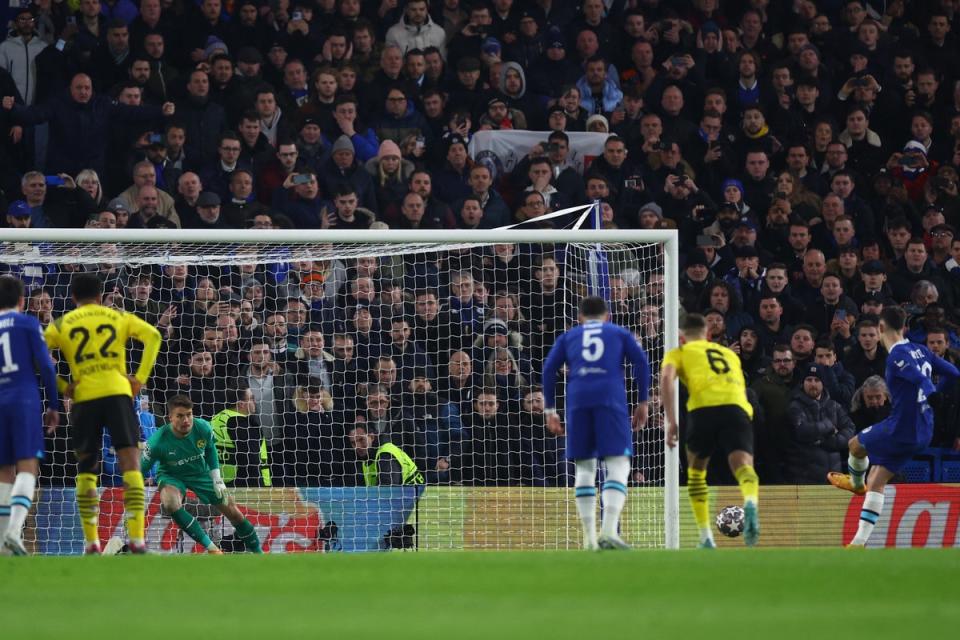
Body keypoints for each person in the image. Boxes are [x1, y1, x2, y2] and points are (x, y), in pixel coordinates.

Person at [43, 273, 162, 555]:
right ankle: (136, 539)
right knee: (131, 463)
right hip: (118, 394)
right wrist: (140, 378)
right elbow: (154, 336)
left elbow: (39, 355)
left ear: (73, 298)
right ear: (99, 296)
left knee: (87, 469)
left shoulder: (62, 324)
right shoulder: (117, 317)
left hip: (85, 398)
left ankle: (92, 542)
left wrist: (63, 387)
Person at [828, 306, 959, 547]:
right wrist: (935, 394)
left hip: (901, 428)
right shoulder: (921, 350)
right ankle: (858, 543)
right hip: (924, 430)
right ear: (904, 327)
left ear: (880, 329)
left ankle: (856, 483)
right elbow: (954, 372)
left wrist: (931, 393)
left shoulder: (897, 356)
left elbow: (920, 380)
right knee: (877, 478)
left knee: (854, 445)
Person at [542, 296, 650, 550]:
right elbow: (641, 362)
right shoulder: (618, 332)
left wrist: (550, 410)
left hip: (578, 401)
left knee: (585, 467)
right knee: (618, 464)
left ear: (580, 317)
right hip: (609, 399)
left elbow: (548, 369)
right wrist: (643, 401)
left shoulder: (570, 335)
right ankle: (610, 530)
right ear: (607, 316)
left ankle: (589, 539)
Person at [661, 313, 760, 549]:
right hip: (737, 408)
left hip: (703, 409)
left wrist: (671, 420)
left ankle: (706, 537)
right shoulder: (728, 354)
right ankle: (750, 502)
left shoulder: (679, 353)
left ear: (682, 338)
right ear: (708, 335)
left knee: (696, 473)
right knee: (744, 467)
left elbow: (666, 378)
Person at [141, 395, 263, 554]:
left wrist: (217, 478)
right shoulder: (157, 441)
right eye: (180, 416)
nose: (186, 420)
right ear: (170, 417)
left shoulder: (203, 427)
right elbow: (140, 470)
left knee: (234, 512)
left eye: (189, 414)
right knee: (170, 502)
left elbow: (211, 450)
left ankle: (259, 553)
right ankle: (212, 548)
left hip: (201, 473)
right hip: (172, 475)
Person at [0, 276, 59, 555]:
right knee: (27, 467)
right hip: (23, 399)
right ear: (22, 301)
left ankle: (2, 545)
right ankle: (14, 530)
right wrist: (54, 404)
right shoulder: (27, 323)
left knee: (3, 473)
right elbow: (47, 367)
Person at [351, 424, 424, 486]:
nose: (357, 446)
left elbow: (388, 491)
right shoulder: (367, 460)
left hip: (418, 500)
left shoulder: (385, 454)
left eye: (361, 440)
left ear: (372, 437)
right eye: (353, 443)